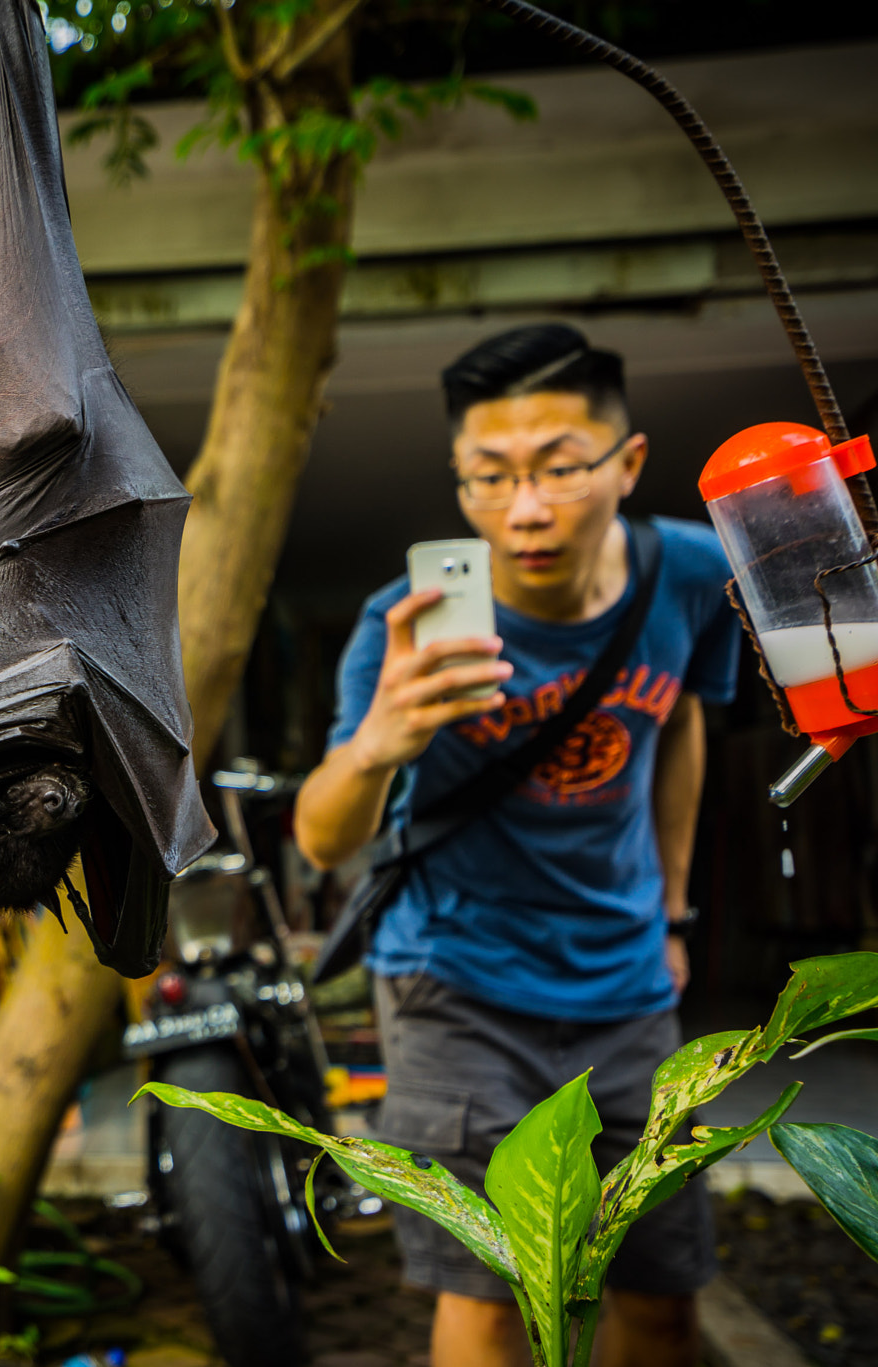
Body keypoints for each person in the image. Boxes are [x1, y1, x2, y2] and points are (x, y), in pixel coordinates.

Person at [295, 324, 739, 1367]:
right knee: (489, 1298)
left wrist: (671, 912)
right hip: (454, 990)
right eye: (486, 477)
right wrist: (378, 742)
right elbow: (321, 837)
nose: (523, 508)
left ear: (625, 464)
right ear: (457, 485)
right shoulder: (397, 627)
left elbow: (677, 724)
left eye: (557, 468)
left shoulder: (689, 574)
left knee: (661, 1290)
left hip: (627, 988)